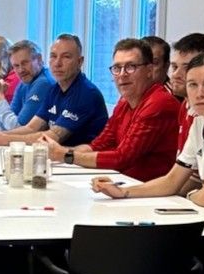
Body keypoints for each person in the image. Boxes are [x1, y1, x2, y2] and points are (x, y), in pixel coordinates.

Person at [91, 50, 204, 211]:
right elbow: (172, 180)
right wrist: (122, 192)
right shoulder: (198, 122)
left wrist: (190, 194)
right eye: (193, 84)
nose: (200, 93)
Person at [56, 38, 183, 178]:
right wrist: (56, 154)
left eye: (130, 67)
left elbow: (122, 158)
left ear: (149, 70)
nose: (122, 74)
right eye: (117, 68)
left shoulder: (159, 103)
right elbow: (99, 145)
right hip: (125, 183)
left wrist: (66, 155)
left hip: (152, 192)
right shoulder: (124, 102)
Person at [0, 34, 105, 149]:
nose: (57, 63)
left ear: (80, 61)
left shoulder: (85, 93)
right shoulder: (55, 90)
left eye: (66, 57)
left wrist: (4, 138)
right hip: (59, 158)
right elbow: (31, 128)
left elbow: (53, 137)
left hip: (82, 163)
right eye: (53, 56)